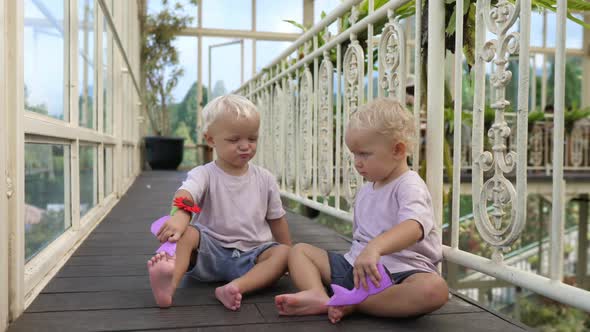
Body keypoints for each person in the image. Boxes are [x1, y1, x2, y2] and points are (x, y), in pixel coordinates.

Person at [275, 98, 448, 323]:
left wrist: (375, 248)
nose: (357, 163)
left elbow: (414, 227)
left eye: (364, 154)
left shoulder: (409, 185)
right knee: (299, 251)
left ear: (397, 150)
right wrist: (363, 255)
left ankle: (355, 302)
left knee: (434, 290)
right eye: (354, 154)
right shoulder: (367, 189)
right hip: (356, 268)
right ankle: (317, 294)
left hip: (401, 273)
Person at [148, 94, 292, 310]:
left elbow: (277, 220)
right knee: (187, 233)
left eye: (252, 139)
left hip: (253, 256)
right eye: (234, 140)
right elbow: (187, 194)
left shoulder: (265, 178)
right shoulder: (204, 174)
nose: (245, 146)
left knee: (282, 253)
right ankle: (169, 284)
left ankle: (235, 288)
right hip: (209, 252)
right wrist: (179, 218)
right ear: (210, 139)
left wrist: (289, 253)